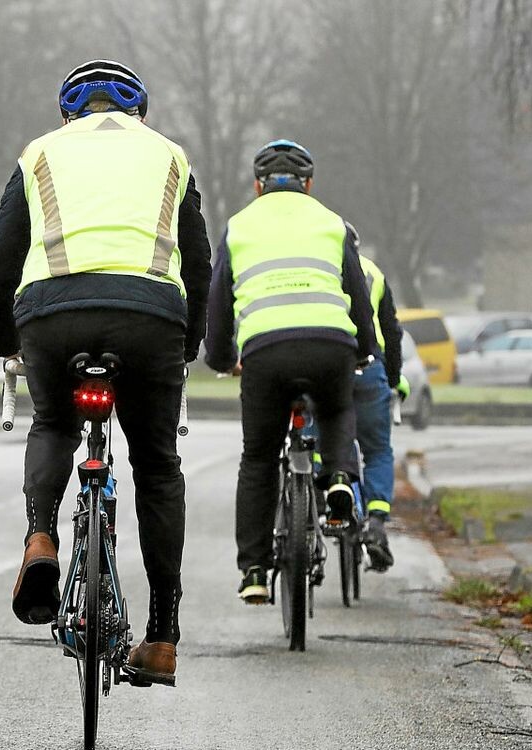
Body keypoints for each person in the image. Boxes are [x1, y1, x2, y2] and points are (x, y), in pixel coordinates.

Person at [0, 59, 212, 685]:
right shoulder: (171, 157)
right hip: (149, 319)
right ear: (140, 113)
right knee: (157, 466)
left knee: (53, 425)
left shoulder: (39, 156)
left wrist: (7, 343)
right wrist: (186, 345)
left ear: (67, 114)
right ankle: (162, 637)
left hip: (53, 317)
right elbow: (200, 265)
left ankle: (40, 539)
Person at [203, 139, 378, 604]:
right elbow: (358, 293)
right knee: (338, 411)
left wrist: (221, 358)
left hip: (266, 351)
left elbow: (218, 304)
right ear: (309, 184)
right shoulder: (331, 223)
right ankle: (339, 478)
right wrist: (366, 349)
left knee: (258, 459)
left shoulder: (238, 226)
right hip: (329, 346)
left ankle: (255, 570)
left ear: (258, 186)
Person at [353, 251, 409, 572]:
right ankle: (375, 521)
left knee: (330, 431)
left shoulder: (313, 260)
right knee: (377, 451)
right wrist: (394, 379)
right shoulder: (374, 272)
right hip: (371, 366)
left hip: (327, 362)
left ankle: (331, 488)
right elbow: (392, 331)